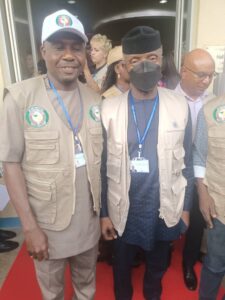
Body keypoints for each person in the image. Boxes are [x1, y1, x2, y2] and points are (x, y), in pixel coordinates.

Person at [0, 9, 102, 300]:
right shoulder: (19, 98)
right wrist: (30, 229)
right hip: (48, 226)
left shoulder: (95, 99)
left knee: (87, 287)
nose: (68, 55)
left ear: (85, 53)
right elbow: (10, 165)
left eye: (76, 47)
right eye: (59, 47)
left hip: (88, 223)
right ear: (43, 51)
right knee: (53, 293)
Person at [100, 26, 194, 300]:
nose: (144, 65)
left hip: (164, 206)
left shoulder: (178, 105)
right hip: (123, 209)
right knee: (121, 270)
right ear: (125, 65)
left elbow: (186, 163)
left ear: (161, 58)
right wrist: (105, 212)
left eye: (152, 58)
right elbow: (104, 167)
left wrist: (186, 209)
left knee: (156, 270)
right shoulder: (109, 108)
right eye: (135, 60)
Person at [175, 48, 216, 291]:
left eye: (211, 76)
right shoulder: (167, 98)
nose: (206, 81)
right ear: (183, 71)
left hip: (202, 173)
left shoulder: (213, 103)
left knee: (198, 220)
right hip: (173, 171)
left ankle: (188, 263)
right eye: (201, 75)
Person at [193, 94, 225, 300]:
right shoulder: (211, 109)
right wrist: (202, 194)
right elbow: (199, 154)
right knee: (214, 264)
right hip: (220, 204)